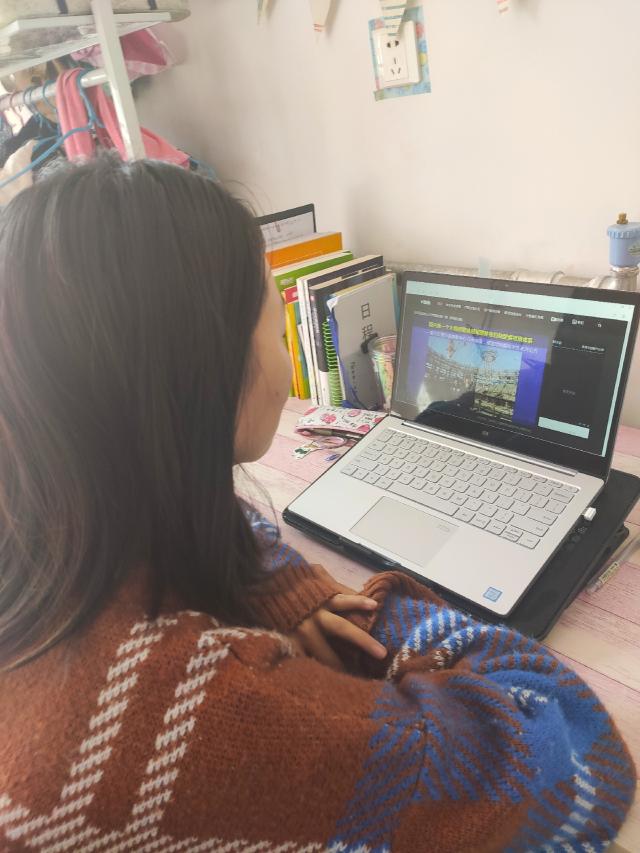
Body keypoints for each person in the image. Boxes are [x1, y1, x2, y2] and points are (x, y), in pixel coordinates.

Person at [0, 156, 635, 853]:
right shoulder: (206, 713)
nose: (282, 360)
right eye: (275, 331)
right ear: (209, 374)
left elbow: (237, 523)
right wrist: (377, 612)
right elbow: (578, 756)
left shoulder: (49, 527)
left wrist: (268, 575)